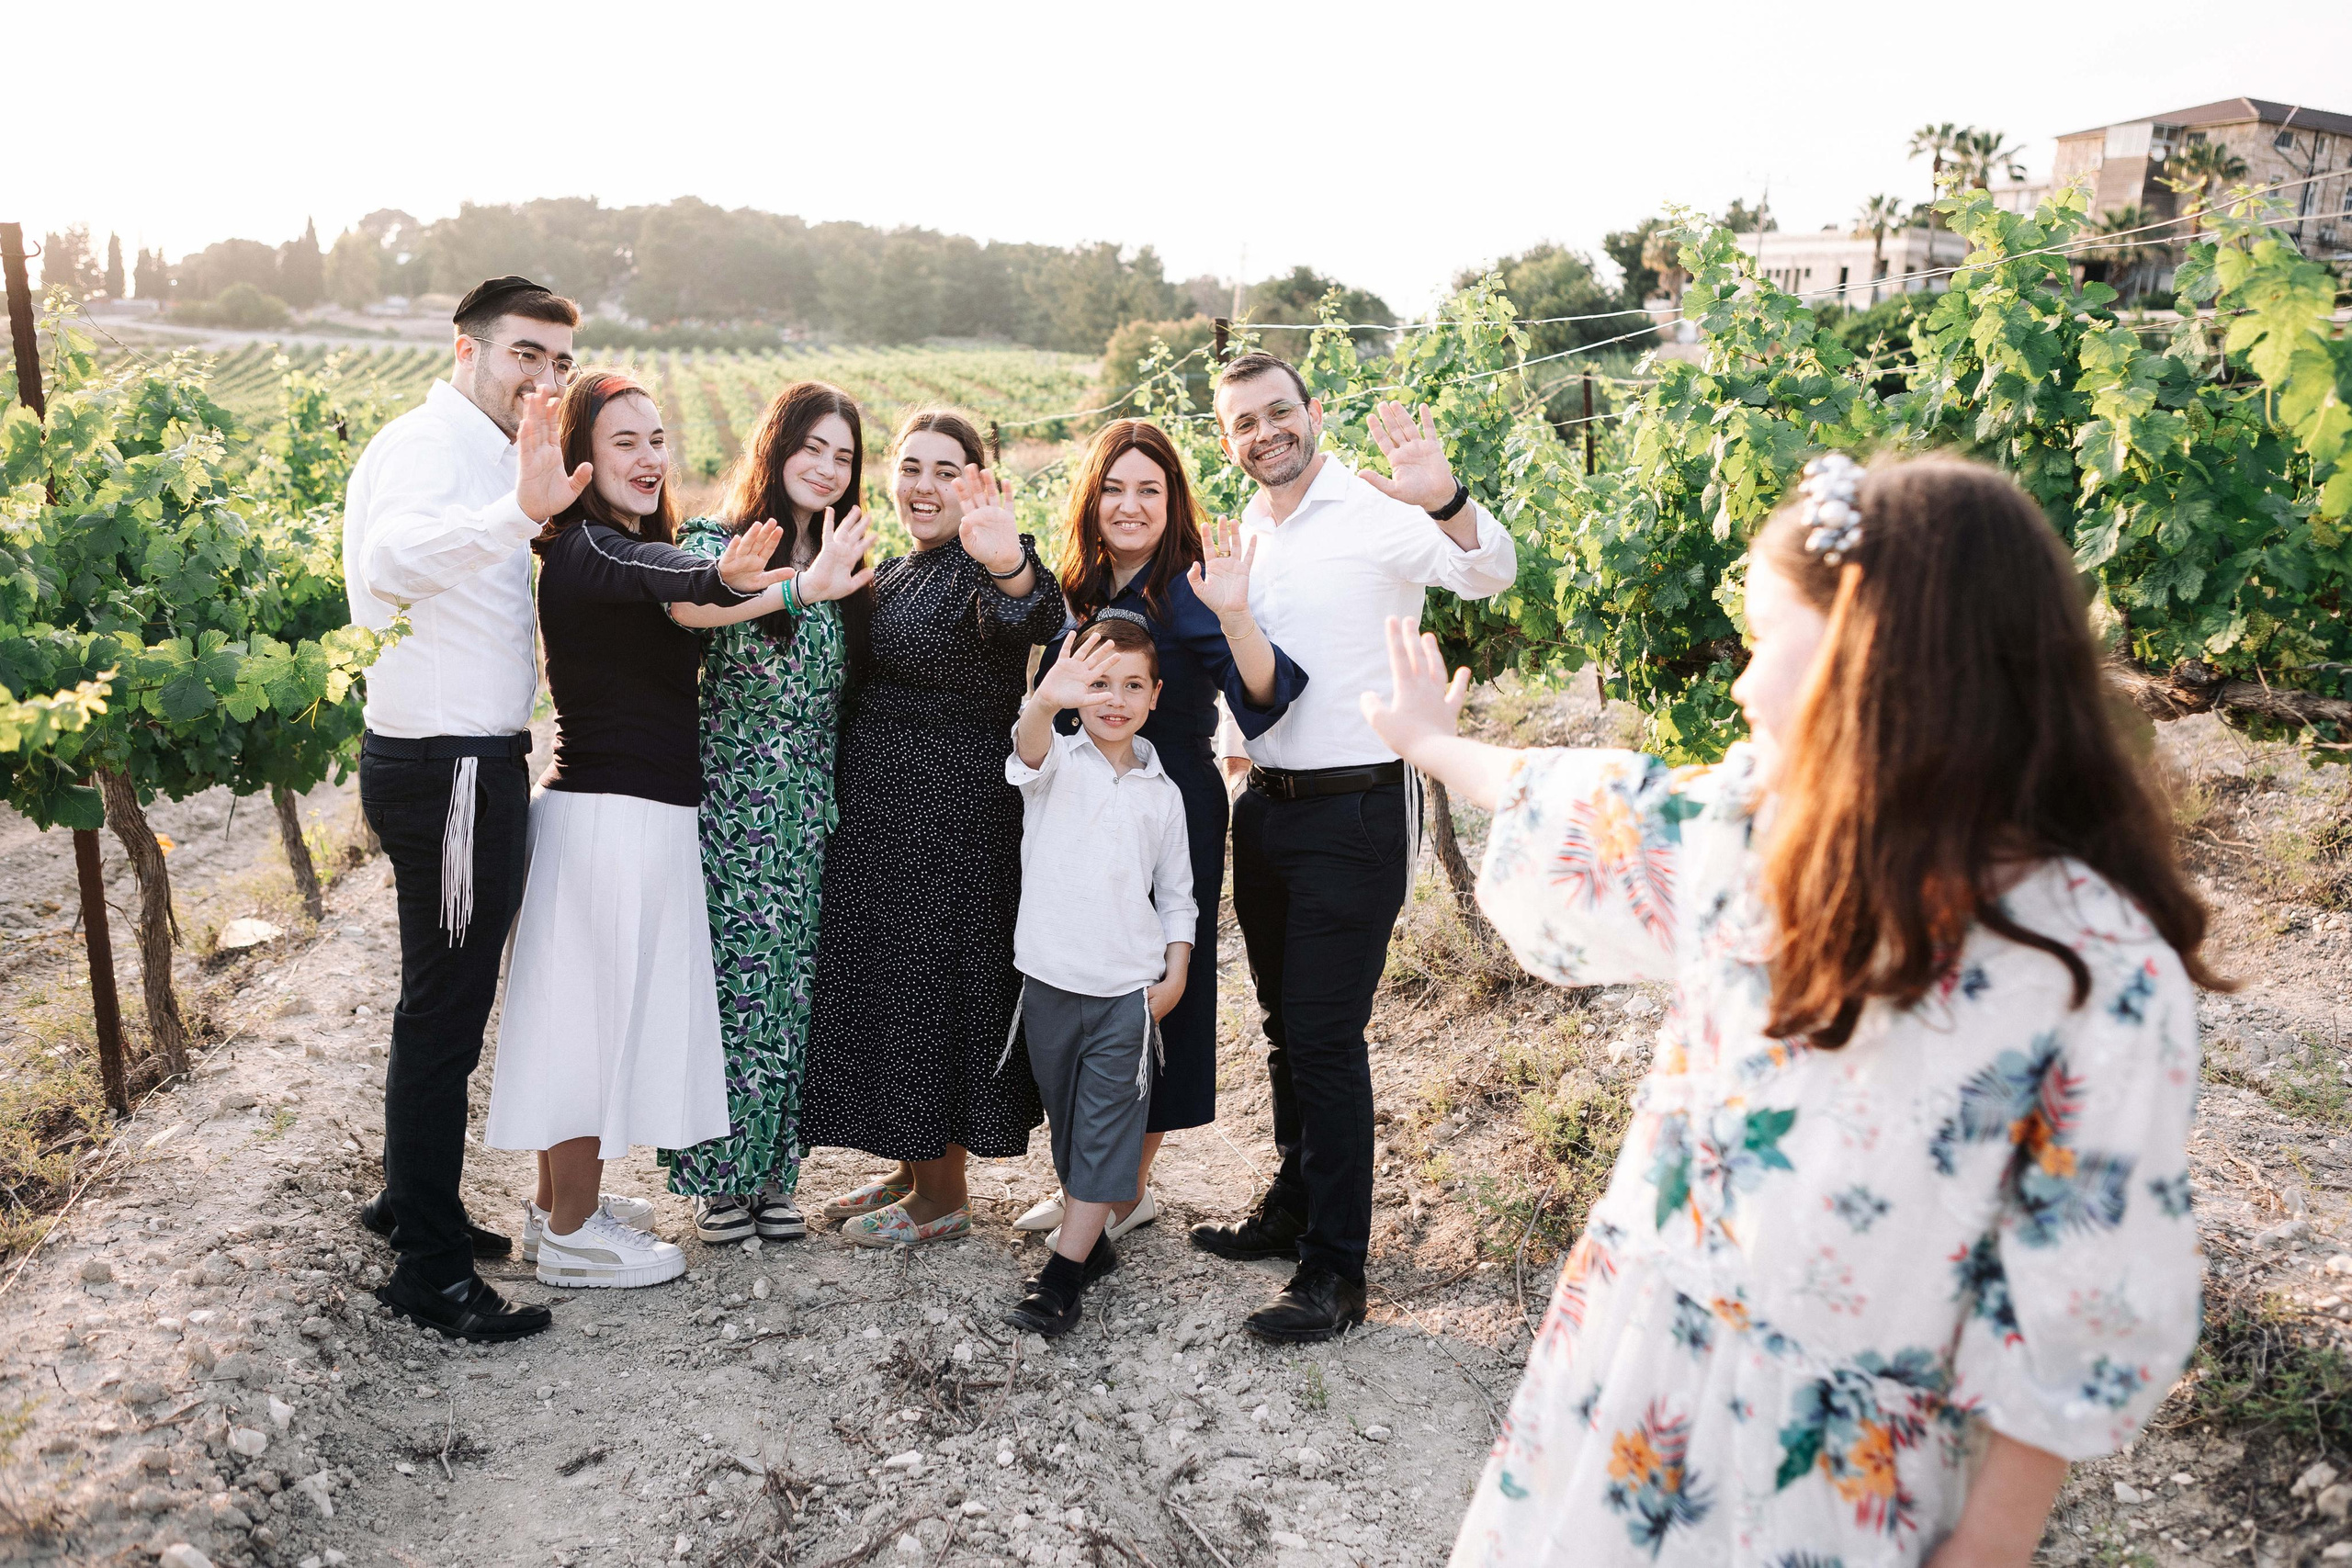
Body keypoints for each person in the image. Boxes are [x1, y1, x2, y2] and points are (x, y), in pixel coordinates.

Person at [1365, 455, 2212, 1568]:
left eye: (1767, 638)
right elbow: (1581, 800)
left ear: (1878, 649)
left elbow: (2080, 1301)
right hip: (1631, 1397)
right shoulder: (1757, 839)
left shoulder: (2093, 971)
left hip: (1826, 1483)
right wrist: (1430, 743)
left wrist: (1987, 1551)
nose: (1740, 684)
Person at [481, 372, 871, 1289]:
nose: (651, 457)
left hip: (634, 815)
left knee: (584, 1021)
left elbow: (669, 585)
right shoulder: (582, 548)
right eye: (626, 442)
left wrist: (775, 591)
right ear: (579, 456)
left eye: (658, 440)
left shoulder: (614, 544)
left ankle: (555, 1214)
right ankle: (574, 1237)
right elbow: (673, 584)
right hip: (609, 815)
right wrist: (756, 582)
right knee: (583, 1031)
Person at [1188, 352, 1519, 1343]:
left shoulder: (1378, 510)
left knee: (1327, 1041)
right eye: (1243, 422)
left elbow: (1487, 571)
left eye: (1278, 412)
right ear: (1227, 440)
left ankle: (1336, 1273)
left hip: (1359, 810)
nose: (1265, 432)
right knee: (1286, 1028)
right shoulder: (1245, 531)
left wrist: (1447, 497)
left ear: (1312, 413)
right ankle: (1293, 1206)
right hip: (1271, 809)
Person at [344, 276, 587, 1340]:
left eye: (556, 362)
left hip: (468, 765)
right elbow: (393, 563)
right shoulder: (427, 448)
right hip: (445, 772)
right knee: (445, 1014)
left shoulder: (486, 456)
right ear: (466, 350)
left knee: (445, 1000)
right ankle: (430, 1274)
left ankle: (412, 1204)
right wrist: (514, 517)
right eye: (523, 354)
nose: (541, 377)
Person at [1014, 420, 1306, 1247]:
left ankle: (1126, 1191)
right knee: (1078, 978)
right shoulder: (1075, 581)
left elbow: (1262, 690)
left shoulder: (1188, 587)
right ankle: (1088, 1178)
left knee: (1148, 990)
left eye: (1150, 489)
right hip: (1074, 798)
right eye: (1114, 487)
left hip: (1166, 795)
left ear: (1173, 500)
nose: (1130, 504)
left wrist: (1238, 614)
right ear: (1092, 496)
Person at [800, 410, 1066, 1247]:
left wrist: (1012, 562)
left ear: (977, 482)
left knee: (936, 990)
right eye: (910, 467)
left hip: (950, 821)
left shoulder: (983, 565)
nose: (922, 485)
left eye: (945, 470)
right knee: (895, 984)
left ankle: (944, 1194)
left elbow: (1035, 616)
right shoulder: (904, 567)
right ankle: (915, 1165)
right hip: (885, 819)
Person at [657, 382, 874, 1247]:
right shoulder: (721, 541)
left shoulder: (853, 561)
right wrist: (798, 590)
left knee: (791, 992)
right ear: (776, 447)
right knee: (727, 990)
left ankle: (774, 1172)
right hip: (734, 798)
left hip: (809, 808)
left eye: (845, 456)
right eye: (812, 448)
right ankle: (718, 1181)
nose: (827, 467)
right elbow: (689, 611)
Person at [1001, 619, 1196, 1334]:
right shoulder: (1058, 758)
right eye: (1100, 683)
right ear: (1080, 692)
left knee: (1107, 1127)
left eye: (1132, 685)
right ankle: (1096, 1243)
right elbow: (1025, 749)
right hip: (1050, 978)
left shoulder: (1162, 794)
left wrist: (1174, 973)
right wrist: (1043, 702)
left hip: (1127, 990)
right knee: (1068, 1123)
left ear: (1154, 695)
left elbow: (1177, 894)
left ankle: (1062, 1277)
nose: (1115, 699)